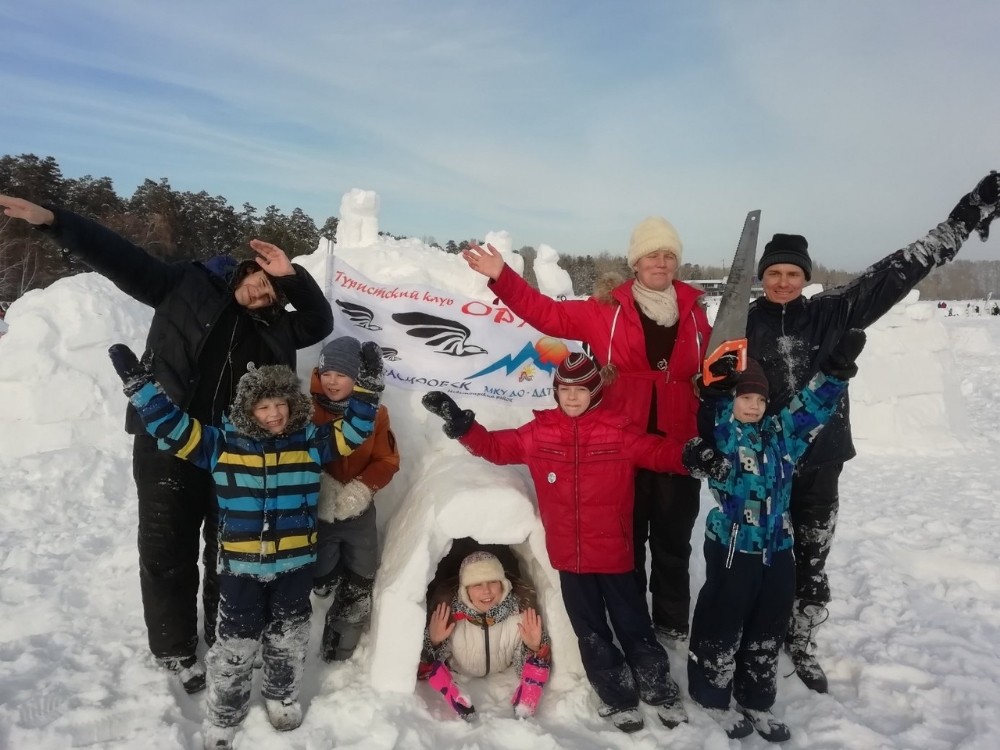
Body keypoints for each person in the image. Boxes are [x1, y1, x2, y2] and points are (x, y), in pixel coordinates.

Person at [0, 194, 333, 692]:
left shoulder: (279, 325)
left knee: (229, 552)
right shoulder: (184, 284)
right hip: (167, 439)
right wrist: (53, 221)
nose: (263, 293)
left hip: (237, 452)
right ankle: (175, 647)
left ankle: (227, 636)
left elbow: (320, 321)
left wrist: (289, 276)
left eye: (271, 291)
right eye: (259, 281)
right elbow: (118, 257)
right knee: (165, 547)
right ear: (240, 272)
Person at [745, 170, 1000, 693]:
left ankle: (805, 638)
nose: (783, 282)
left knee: (812, 555)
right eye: (775, 273)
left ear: (805, 276)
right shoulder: (742, 324)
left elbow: (901, 269)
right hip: (765, 463)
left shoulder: (834, 311)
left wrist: (965, 216)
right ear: (763, 277)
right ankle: (762, 635)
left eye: (793, 273)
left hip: (821, 458)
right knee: (765, 554)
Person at [422, 353, 728, 734]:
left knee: (633, 623)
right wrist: (463, 426)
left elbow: (658, 452)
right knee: (590, 630)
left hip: (613, 551)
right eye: (564, 390)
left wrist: (690, 455)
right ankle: (616, 696)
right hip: (569, 557)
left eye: (579, 390)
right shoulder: (539, 433)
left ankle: (659, 689)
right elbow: (496, 448)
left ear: (594, 393)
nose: (571, 398)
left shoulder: (618, 430)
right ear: (556, 392)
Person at [107, 341, 383, 750]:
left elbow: (358, 429)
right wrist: (141, 387)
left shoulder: (310, 443)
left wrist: (368, 389)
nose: (274, 414)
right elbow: (171, 427)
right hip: (240, 567)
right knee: (235, 643)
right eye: (262, 407)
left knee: (288, 636)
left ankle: (280, 694)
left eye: (280, 404)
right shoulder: (221, 445)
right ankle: (225, 713)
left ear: (291, 403)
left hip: (295, 564)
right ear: (247, 412)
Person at [463, 218, 711, 644]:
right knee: (624, 541)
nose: (661, 262)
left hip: (675, 443)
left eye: (669, 254)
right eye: (653, 253)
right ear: (636, 261)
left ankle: (671, 624)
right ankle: (630, 620)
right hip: (619, 443)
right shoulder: (605, 311)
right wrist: (502, 278)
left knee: (673, 540)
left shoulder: (694, 313)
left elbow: (715, 367)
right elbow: (548, 314)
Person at [687, 332, 865, 742]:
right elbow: (710, 417)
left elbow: (814, 408)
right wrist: (715, 390)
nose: (752, 404)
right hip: (733, 546)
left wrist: (836, 370)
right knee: (724, 620)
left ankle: (757, 698)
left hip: (777, 548)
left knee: (770, 623)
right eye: (744, 397)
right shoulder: (726, 435)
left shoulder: (782, 436)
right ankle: (711, 694)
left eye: (759, 399)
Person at [309, 335, 400, 662]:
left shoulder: (377, 414)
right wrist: (321, 485)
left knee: (361, 572)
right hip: (318, 511)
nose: (332, 381)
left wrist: (363, 489)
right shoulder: (306, 410)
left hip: (359, 511)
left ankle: (340, 644)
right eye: (327, 373)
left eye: (342, 374)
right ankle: (324, 583)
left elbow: (387, 460)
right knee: (320, 567)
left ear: (358, 378)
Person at [419, 551, 551, 720]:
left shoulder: (518, 615)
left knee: (538, 663)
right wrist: (434, 640)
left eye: (493, 582)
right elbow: (424, 665)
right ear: (465, 591)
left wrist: (534, 648)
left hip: (503, 681)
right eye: (476, 585)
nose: (486, 591)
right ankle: (455, 696)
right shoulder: (450, 617)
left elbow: (521, 667)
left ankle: (525, 705)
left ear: (503, 584)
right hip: (462, 676)